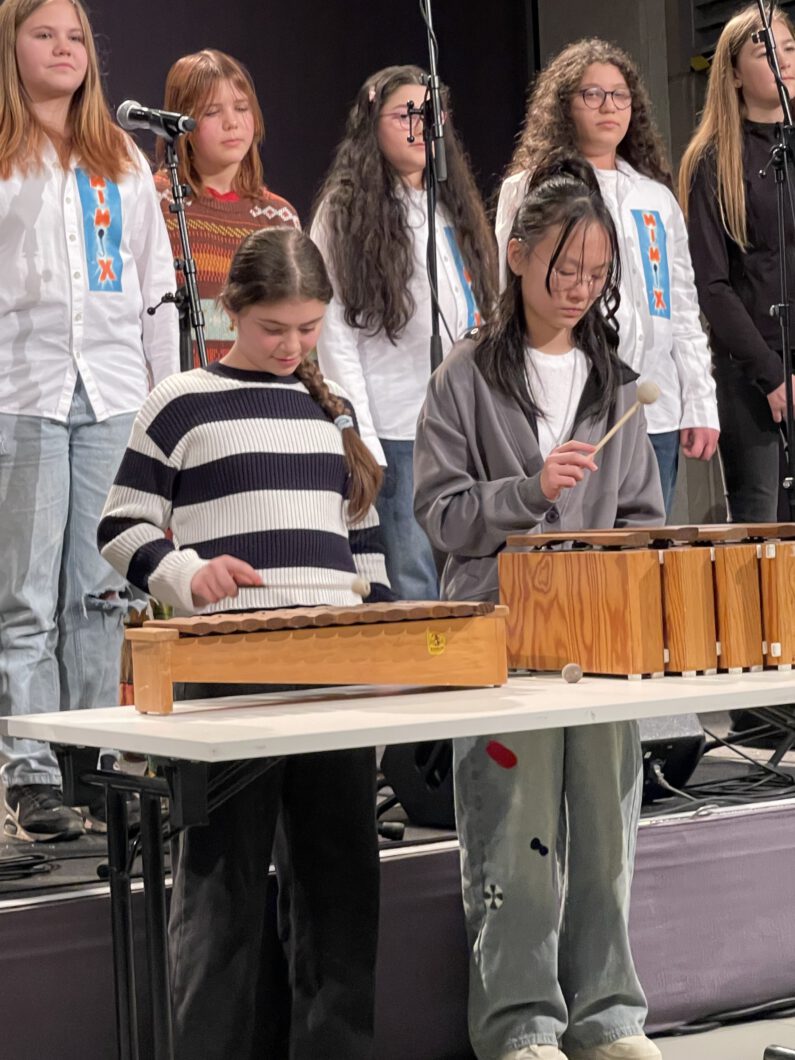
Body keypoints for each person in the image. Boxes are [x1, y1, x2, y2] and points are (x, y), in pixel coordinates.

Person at [99, 226, 390, 1059]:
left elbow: (363, 542)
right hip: (225, 674)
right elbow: (120, 526)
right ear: (231, 310)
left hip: (330, 673)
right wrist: (187, 574)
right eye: (273, 329)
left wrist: (380, 639)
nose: (291, 346)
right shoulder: (181, 401)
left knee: (341, 885)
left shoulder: (332, 408)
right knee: (219, 886)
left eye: (308, 329)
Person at [414, 158, 665, 1060]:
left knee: (604, 835)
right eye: (563, 268)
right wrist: (526, 491)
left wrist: (615, 574)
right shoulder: (462, 379)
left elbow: (642, 521)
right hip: (498, 640)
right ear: (517, 254)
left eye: (595, 274)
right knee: (511, 836)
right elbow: (440, 514)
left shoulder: (615, 384)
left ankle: (608, 1016)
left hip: (598, 648)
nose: (578, 288)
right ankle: (519, 1022)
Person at [0, 0, 178, 841]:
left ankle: (94, 760)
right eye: (44, 34)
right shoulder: (6, 157)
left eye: (75, 36)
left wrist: (168, 404)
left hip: (111, 394)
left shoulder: (122, 159)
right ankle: (31, 771)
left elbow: (154, 288)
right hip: (20, 392)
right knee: (25, 597)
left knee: (101, 593)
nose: (64, 48)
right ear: (11, 46)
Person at [495, 38, 719, 516]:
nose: (609, 106)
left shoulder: (655, 197)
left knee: (644, 538)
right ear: (564, 105)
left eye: (619, 95)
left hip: (653, 404)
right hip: (570, 402)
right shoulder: (531, 187)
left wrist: (700, 401)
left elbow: (681, 307)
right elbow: (508, 292)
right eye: (592, 94)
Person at [310, 64, 497, 599]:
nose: (421, 126)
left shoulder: (453, 205)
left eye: (430, 114)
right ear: (372, 123)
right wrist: (360, 431)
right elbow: (335, 332)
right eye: (405, 115)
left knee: (474, 566)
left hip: (465, 422)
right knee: (412, 574)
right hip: (396, 425)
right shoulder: (344, 212)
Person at [680, 4, 795, 522]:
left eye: (789, 47)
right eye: (766, 51)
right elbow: (712, 284)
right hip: (751, 368)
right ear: (733, 75)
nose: (783, 60)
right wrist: (771, 374)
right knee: (761, 526)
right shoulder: (713, 160)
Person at [155, 48, 300, 366]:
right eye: (211, 112)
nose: (232, 123)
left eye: (241, 108)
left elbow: (294, 320)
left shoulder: (279, 217)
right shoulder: (157, 203)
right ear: (181, 123)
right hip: (178, 384)